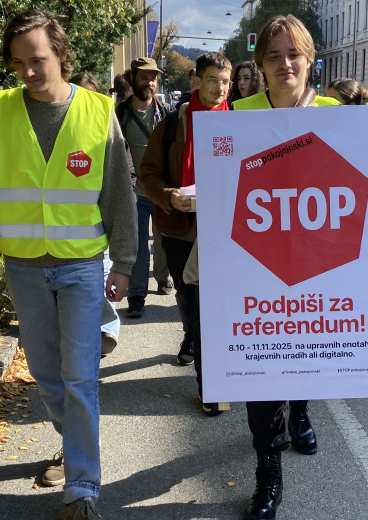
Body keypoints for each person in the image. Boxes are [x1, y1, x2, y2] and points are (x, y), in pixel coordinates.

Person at [0, 10, 136, 519]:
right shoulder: (0, 111)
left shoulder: (99, 111)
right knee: (46, 374)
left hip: (82, 265)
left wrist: (123, 262)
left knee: (79, 377)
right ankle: (72, 439)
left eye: (37, 60)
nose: (28, 72)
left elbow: (119, 197)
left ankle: (82, 488)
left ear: (60, 53)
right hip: (23, 267)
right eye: (18, 64)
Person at [232, 15, 340, 520]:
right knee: (261, 369)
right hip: (258, 264)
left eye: (293, 54)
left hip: (321, 261)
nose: (285, 64)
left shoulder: (338, 114)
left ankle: (302, 410)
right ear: (259, 65)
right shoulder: (237, 116)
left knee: (308, 344)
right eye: (273, 56)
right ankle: (268, 470)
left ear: (310, 60)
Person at [140, 52, 231, 400]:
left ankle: (211, 386)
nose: (220, 88)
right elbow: (148, 173)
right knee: (191, 299)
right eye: (213, 80)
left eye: (226, 81)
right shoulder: (173, 123)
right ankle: (191, 334)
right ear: (196, 80)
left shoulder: (239, 120)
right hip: (181, 227)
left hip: (227, 229)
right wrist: (167, 196)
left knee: (220, 307)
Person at [117, 57, 174, 319]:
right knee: (139, 246)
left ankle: (163, 278)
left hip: (161, 189)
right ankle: (137, 295)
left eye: (153, 78)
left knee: (163, 241)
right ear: (133, 78)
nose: (149, 82)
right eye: (144, 77)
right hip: (135, 192)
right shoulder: (120, 115)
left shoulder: (165, 113)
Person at [69, 72, 121, 357]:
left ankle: (106, 330)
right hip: (64, 234)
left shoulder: (105, 129)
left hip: (98, 229)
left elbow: (121, 176)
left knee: (101, 279)